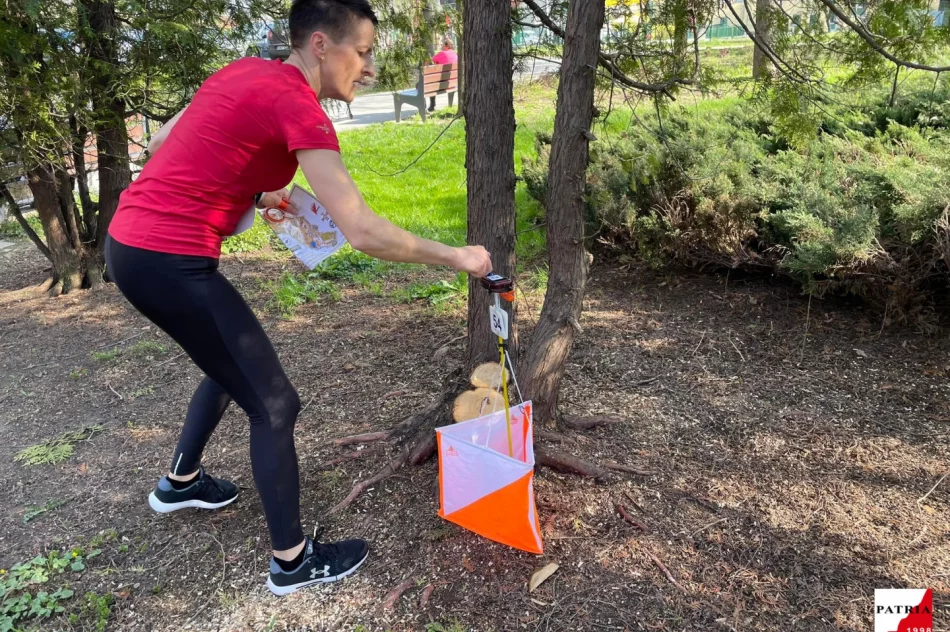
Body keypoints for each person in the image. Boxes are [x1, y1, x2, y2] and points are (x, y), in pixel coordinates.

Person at [105, 0, 491, 597]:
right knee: (276, 403)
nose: (368, 68)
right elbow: (362, 230)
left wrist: (251, 190)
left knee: (229, 363)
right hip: (169, 261)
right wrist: (457, 256)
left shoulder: (242, 70)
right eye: (362, 52)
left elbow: (162, 141)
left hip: (130, 246)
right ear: (320, 44)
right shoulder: (299, 106)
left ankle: (180, 483)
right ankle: (291, 562)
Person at [428, 37, 458, 113]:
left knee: (424, 85)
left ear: (447, 46)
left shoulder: (442, 53)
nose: (441, 45)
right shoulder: (454, 54)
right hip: (452, 84)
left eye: (442, 44)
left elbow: (428, 62)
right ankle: (446, 105)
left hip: (441, 85)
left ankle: (431, 106)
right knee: (431, 83)